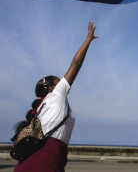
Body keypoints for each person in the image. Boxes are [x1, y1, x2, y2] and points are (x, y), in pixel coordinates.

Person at [13, 21, 97, 172]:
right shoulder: (55, 96)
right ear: (51, 88)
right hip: (42, 165)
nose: (63, 82)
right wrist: (88, 39)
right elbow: (76, 64)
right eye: (59, 81)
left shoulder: (43, 107)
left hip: (35, 165)